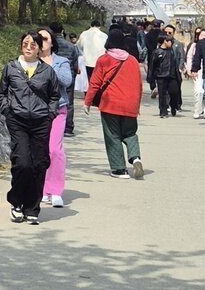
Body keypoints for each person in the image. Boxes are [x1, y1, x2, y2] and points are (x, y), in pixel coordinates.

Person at [0, 31, 59, 224]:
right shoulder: (11, 68)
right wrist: (7, 111)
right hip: (18, 121)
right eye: (26, 43)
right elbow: (2, 93)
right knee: (22, 162)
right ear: (20, 46)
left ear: (40, 48)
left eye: (34, 44)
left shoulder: (47, 71)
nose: (29, 47)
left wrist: (50, 114)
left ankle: (32, 207)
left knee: (39, 164)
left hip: (41, 122)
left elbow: (55, 96)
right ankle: (16, 202)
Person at [84, 24, 145, 179]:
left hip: (111, 104)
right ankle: (135, 157)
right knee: (130, 133)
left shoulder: (104, 60)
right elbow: (138, 84)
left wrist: (88, 102)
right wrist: (136, 105)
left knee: (113, 135)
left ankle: (119, 169)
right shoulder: (131, 60)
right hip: (130, 104)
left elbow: (95, 83)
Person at [39, 28, 73, 209]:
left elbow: (67, 81)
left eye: (45, 38)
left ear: (52, 42)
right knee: (37, 151)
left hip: (57, 110)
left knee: (54, 150)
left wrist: (47, 66)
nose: (41, 41)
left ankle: (55, 190)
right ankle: (42, 189)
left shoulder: (61, 62)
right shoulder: (29, 62)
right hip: (34, 112)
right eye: (38, 39)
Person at [48, 20, 80, 135]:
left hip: (50, 77)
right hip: (68, 77)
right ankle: (68, 128)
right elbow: (76, 63)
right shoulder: (71, 46)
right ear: (62, 31)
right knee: (68, 102)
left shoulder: (48, 45)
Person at [152, 33, 183, 118]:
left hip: (172, 76)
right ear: (165, 41)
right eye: (170, 41)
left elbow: (175, 63)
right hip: (161, 76)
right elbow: (153, 66)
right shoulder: (157, 52)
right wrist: (152, 79)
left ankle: (173, 106)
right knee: (162, 95)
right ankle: (163, 111)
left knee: (174, 92)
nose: (171, 43)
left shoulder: (171, 51)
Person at [184, 28, 205, 119]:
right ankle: (197, 110)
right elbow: (189, 57)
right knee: (198, 91)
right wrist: (189, 70)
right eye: (202, 35)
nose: (203, 37)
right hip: (197, 71)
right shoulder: (194, 45)